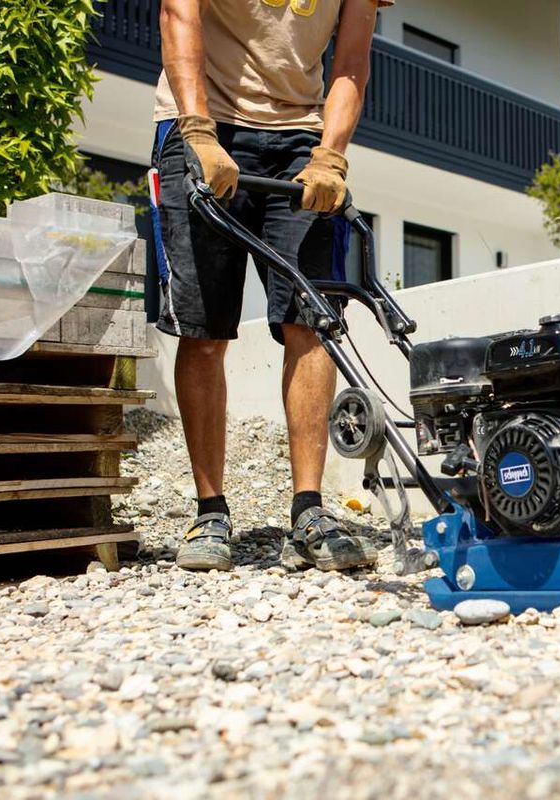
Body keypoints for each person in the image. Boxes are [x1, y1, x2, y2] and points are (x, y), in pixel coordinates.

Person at [152, 0, 391, 572]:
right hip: (202, 118)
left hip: (300, 139)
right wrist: (199, 133)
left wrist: (330, 155)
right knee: (204, 328)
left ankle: (309, 510)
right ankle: (210, 512)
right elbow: (176, 13)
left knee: (311, 320)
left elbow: (352, 62)